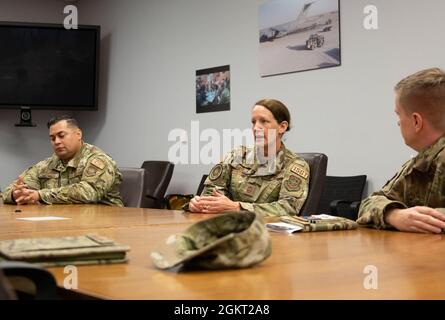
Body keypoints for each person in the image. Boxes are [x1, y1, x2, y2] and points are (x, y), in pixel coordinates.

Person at [357, 67, 445, 233]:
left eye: (399, 115)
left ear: (416, 121)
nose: (398, 123)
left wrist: (427, 219)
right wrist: (395, 215)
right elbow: (370, 202)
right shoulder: (422, 161)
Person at [188, 98, 310, 216]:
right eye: (253, 122)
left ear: (282, 127)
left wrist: (238, 207)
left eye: (264, 121)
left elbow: (288, 208)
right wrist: (199, 204)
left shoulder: (295, 165)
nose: (256, 128)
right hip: (227, 226)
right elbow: (211, 193)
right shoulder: (236, 155)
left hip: (268, 232)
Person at [2, 115, 123, 206]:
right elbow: (9, 191)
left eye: (61, 135)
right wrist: (16, 194)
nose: (57, 142)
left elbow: (88, 192)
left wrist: (40, 195)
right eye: (52, 138)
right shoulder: (45, 166)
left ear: (78, 134)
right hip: (63, 222)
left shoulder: (98, 160)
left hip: (104, 223)